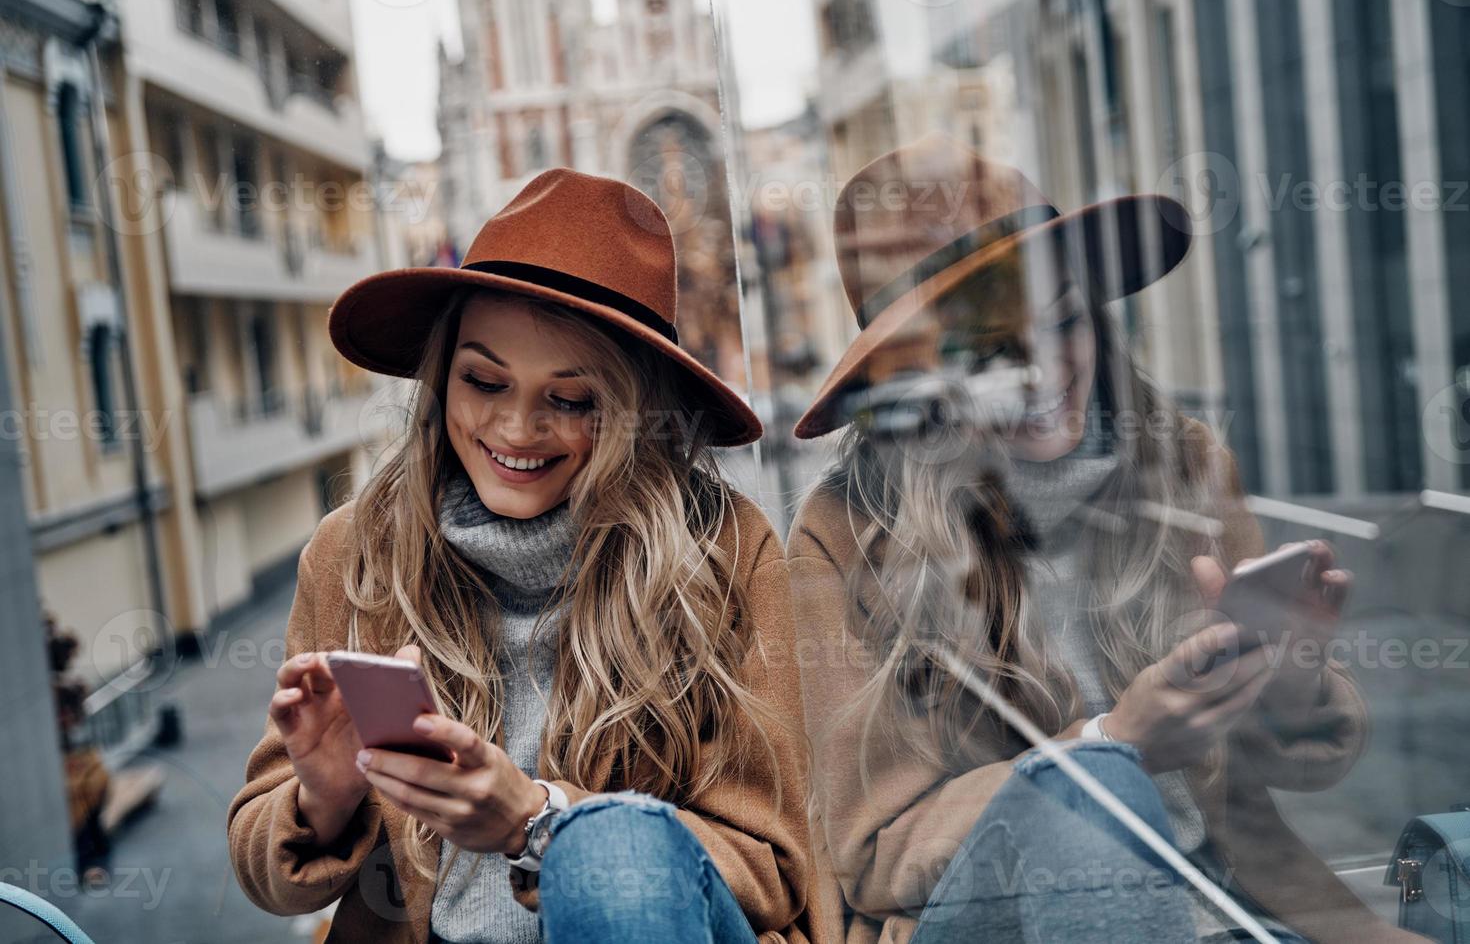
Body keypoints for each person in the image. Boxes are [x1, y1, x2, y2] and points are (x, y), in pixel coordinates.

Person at [787, 136, 1413, 944]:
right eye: (993, 353)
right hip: (995, 925)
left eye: (1064, 323)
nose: (1045, 371)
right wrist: (1112, 749)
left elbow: (1297, 770)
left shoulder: (1182, 463)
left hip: (1221, 911)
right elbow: (873, 851)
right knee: (1082, 812)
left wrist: (1288, 677)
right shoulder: (845, 532)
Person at [228, 168, 816, 943]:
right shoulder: (355, 552)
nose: (514, 429)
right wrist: (323, 798)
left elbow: (772, 871)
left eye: (569, 400)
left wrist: (542, 823)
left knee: (617, 845)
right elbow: (263, 869)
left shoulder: (726, 551)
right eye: (483, 381)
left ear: (637, 410)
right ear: (442, 379)